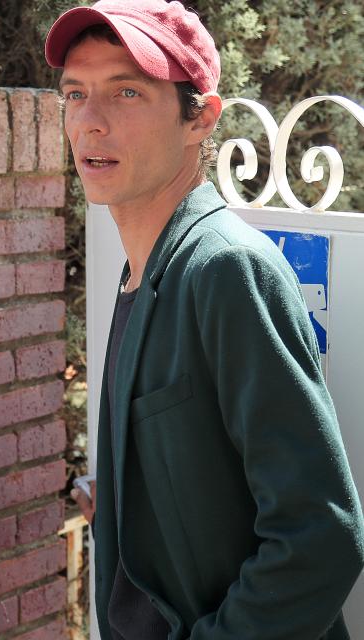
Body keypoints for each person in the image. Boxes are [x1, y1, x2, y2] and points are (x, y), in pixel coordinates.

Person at [45, 1, 364, 638]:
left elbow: (321, 535)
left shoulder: (225, 269)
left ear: (201, 119)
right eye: (75, 94)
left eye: (127, 92)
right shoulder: (142, 268)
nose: (90, 122)